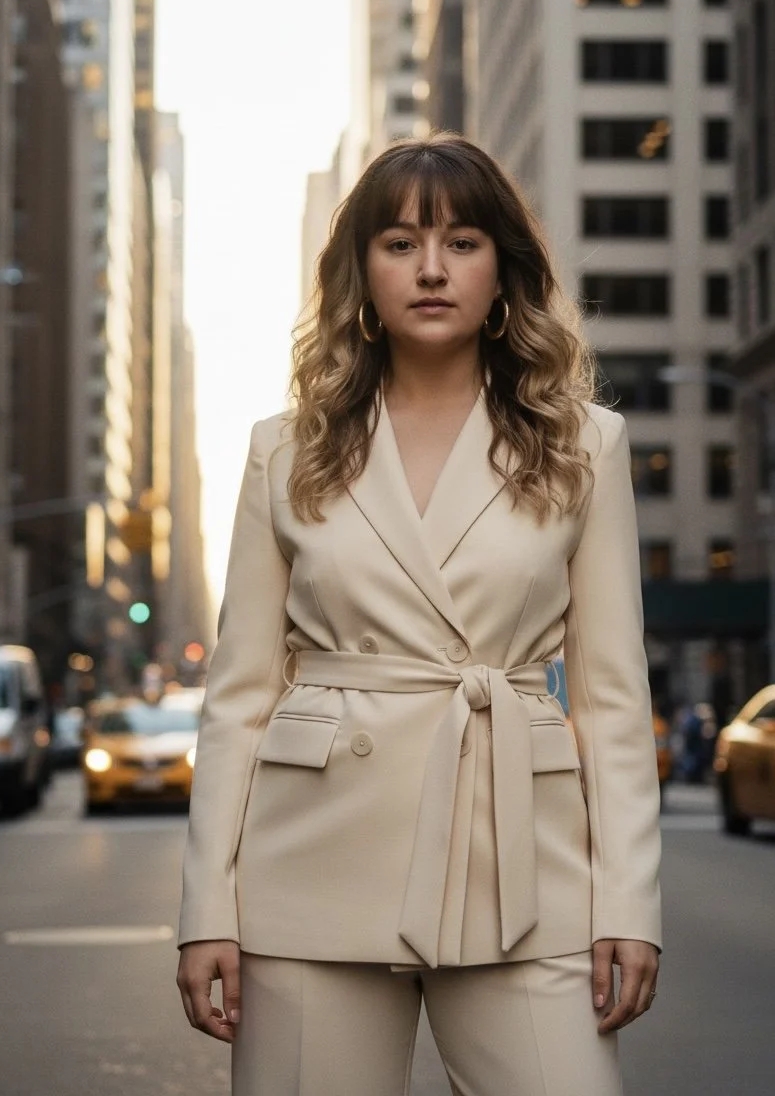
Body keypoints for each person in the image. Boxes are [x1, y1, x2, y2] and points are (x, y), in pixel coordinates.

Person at [176, 134, 662, 1096]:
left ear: (503, 271)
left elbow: (610, 698)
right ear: (359, 270)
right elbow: (237, 697)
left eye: (462, 242)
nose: (432, 269)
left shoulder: (584, 445)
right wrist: (206, 909)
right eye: (399, 243)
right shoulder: (287, 450)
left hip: (523, 862)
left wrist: (629, 904)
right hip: (313, 863)